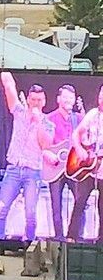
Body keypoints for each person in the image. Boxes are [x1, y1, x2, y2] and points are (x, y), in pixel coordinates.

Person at [0, 73, 54, 241]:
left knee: (31, 213)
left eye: (39, 100)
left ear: (44, 102)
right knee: (1, 209)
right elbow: (9, 87)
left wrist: (38, 121)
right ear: (28, 99)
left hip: (33, 172)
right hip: (13, 169)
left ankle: (29, 243)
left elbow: (45, 145)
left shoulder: (48, 124)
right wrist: (4, 71)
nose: (36, 103)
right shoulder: (19, 112)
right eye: (33, 99)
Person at [44, 84, 84, 240]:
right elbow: (44, 144)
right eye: (65, 97)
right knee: (56, 205)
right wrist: (49, 154)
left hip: (74, 168)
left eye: (71, 98)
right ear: (59, 99)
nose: (68, 100)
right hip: (55, 167)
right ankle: (59, 237)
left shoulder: (79, 119)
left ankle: (75, 236)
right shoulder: (49, 119)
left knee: (81, 200)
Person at [68, 84, 103, 241]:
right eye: (101, 95)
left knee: (101, 207)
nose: (101, 99)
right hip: (88, 166)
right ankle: (71, 237)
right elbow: (76, 134)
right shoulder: (93, 114)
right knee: (80, 201)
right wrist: (80, 149)